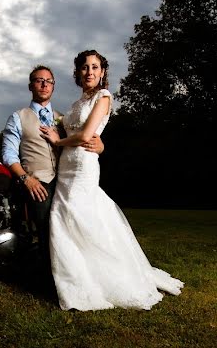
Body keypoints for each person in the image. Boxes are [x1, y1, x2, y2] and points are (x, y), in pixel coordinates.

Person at [40, 50, 184, 311]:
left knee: (80, 217)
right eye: (84, 67)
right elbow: (68, 123)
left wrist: (58, 141)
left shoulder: (103, 97)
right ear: (78, 73)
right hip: (66, 166)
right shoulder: (76, 104)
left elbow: (85, 135)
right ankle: (75, 275)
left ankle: (105, 277)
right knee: (64, 218)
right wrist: (55, 121)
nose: (89, 72)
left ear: (103, 71)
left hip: (83, 166)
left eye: (95, 67)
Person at [1, 65, 103, 280]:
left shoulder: (64, 119)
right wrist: (26, 179)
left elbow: (83, 137)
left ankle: (82, 274)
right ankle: (51, 280)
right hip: (39, 183)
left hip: (67, 180)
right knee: (49, 230)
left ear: (54, 86)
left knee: (74, 227)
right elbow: (9, 155)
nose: (44, 84)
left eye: (49, 81)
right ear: (31, 86)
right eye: (39, 80)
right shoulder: (18, 117)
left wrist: (101, 145)